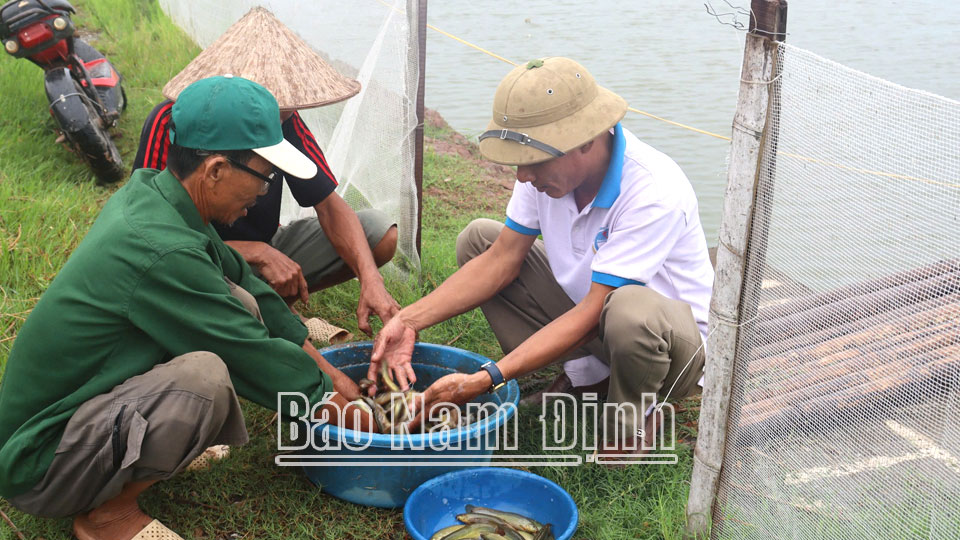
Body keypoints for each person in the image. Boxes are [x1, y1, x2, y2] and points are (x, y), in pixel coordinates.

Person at [0, 76, 372, 540]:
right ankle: (105, 516)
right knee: (206, 378)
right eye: (263, 175)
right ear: (215, 170)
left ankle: (145, 447)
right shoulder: (160, 248)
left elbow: (243, 280)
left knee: (236, 299)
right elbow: (247, 352)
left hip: (77, 417)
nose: (265, 191)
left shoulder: (158, 195)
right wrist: (342, 407)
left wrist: (329, 373)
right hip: (42, 460)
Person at [371, 57, 714, 451]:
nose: (522, 176)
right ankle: (587, 376)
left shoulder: (654, 190)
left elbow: (593, 313)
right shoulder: (544, 172)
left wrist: (486, 379)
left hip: (671, 351)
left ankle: (635, 416)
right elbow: (501, 259)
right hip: (597, 314)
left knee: (628, 310)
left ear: (587, 139)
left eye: (532, 162)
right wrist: (408, 320)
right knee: (478, 241)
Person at [133, 7, 399, 340]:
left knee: (377, 231)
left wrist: (370, 279)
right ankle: (250, 309)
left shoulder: (285, 121)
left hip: (266, 243)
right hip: (189, 257)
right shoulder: (174, 123)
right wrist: (254, 252)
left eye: (286, 111)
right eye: (278, 108)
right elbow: (148, 230)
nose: (284, 118)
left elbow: (329, 205)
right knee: (233, 309)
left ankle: (276, 300)